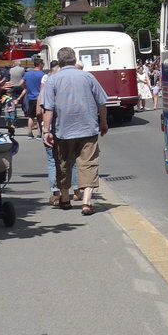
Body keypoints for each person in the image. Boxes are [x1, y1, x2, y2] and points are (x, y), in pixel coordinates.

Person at [41, 46, 108, 215]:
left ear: (59, 61)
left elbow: (48, 109)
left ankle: (65, 199)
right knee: (89, 164)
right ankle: (86, 203)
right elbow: (101, 102)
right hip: (88, 128)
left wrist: (46, 131)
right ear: (75, 59)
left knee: (63, 164)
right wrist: (104, 122)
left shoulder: (52, 80)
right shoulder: (88, 77)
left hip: (63, 130)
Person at [36, 60, 79, 205]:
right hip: (67, 129)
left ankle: (56, 193)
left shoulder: (45, 89)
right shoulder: (65, 90)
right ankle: (76, 191)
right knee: (71, 160)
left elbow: (38, 111)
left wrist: (43, 128)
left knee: (52, 162)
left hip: (50, 129)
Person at [21, 56, 46, 139]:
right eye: (43, 64)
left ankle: (30, 133)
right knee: (39, 116)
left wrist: (26, 87)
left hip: (30, 97)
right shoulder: (43, 75)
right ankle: (39, 134)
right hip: (40, 97)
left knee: (30, 116)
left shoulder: (27, 74)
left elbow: (20, 83)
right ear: (40, 64)